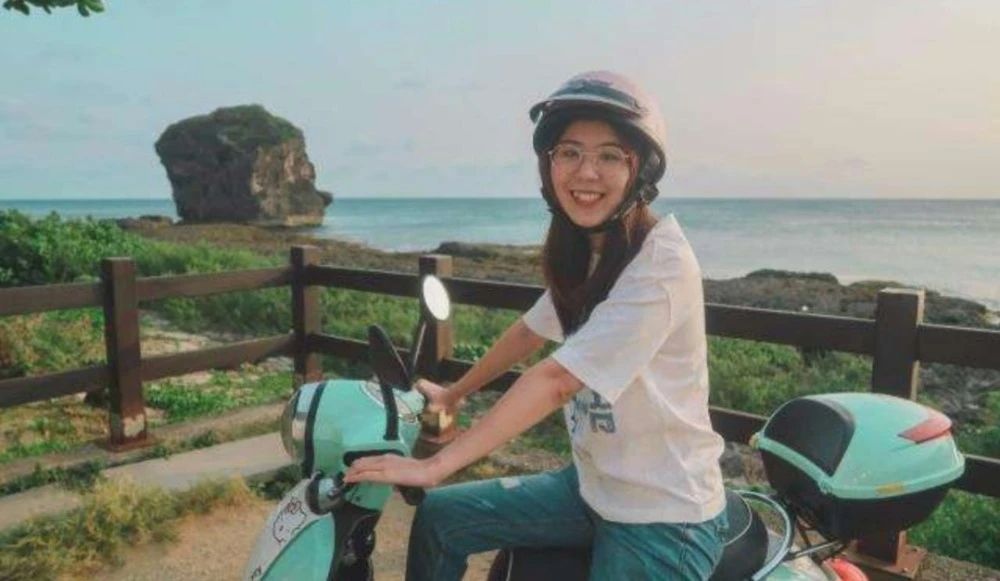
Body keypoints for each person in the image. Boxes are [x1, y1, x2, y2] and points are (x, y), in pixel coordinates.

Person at [344, 70, 728, 580]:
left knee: (439, 493)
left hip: (664, 514)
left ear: (640, 171)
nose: (585, 172)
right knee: (441, 517)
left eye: (610, 156)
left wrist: (435, 465)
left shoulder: (661, 264)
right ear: (549, 164)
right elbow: (529, 331)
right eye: (569, 152)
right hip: (592, 488)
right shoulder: (591, 253)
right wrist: (454, 394)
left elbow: (557, 380)